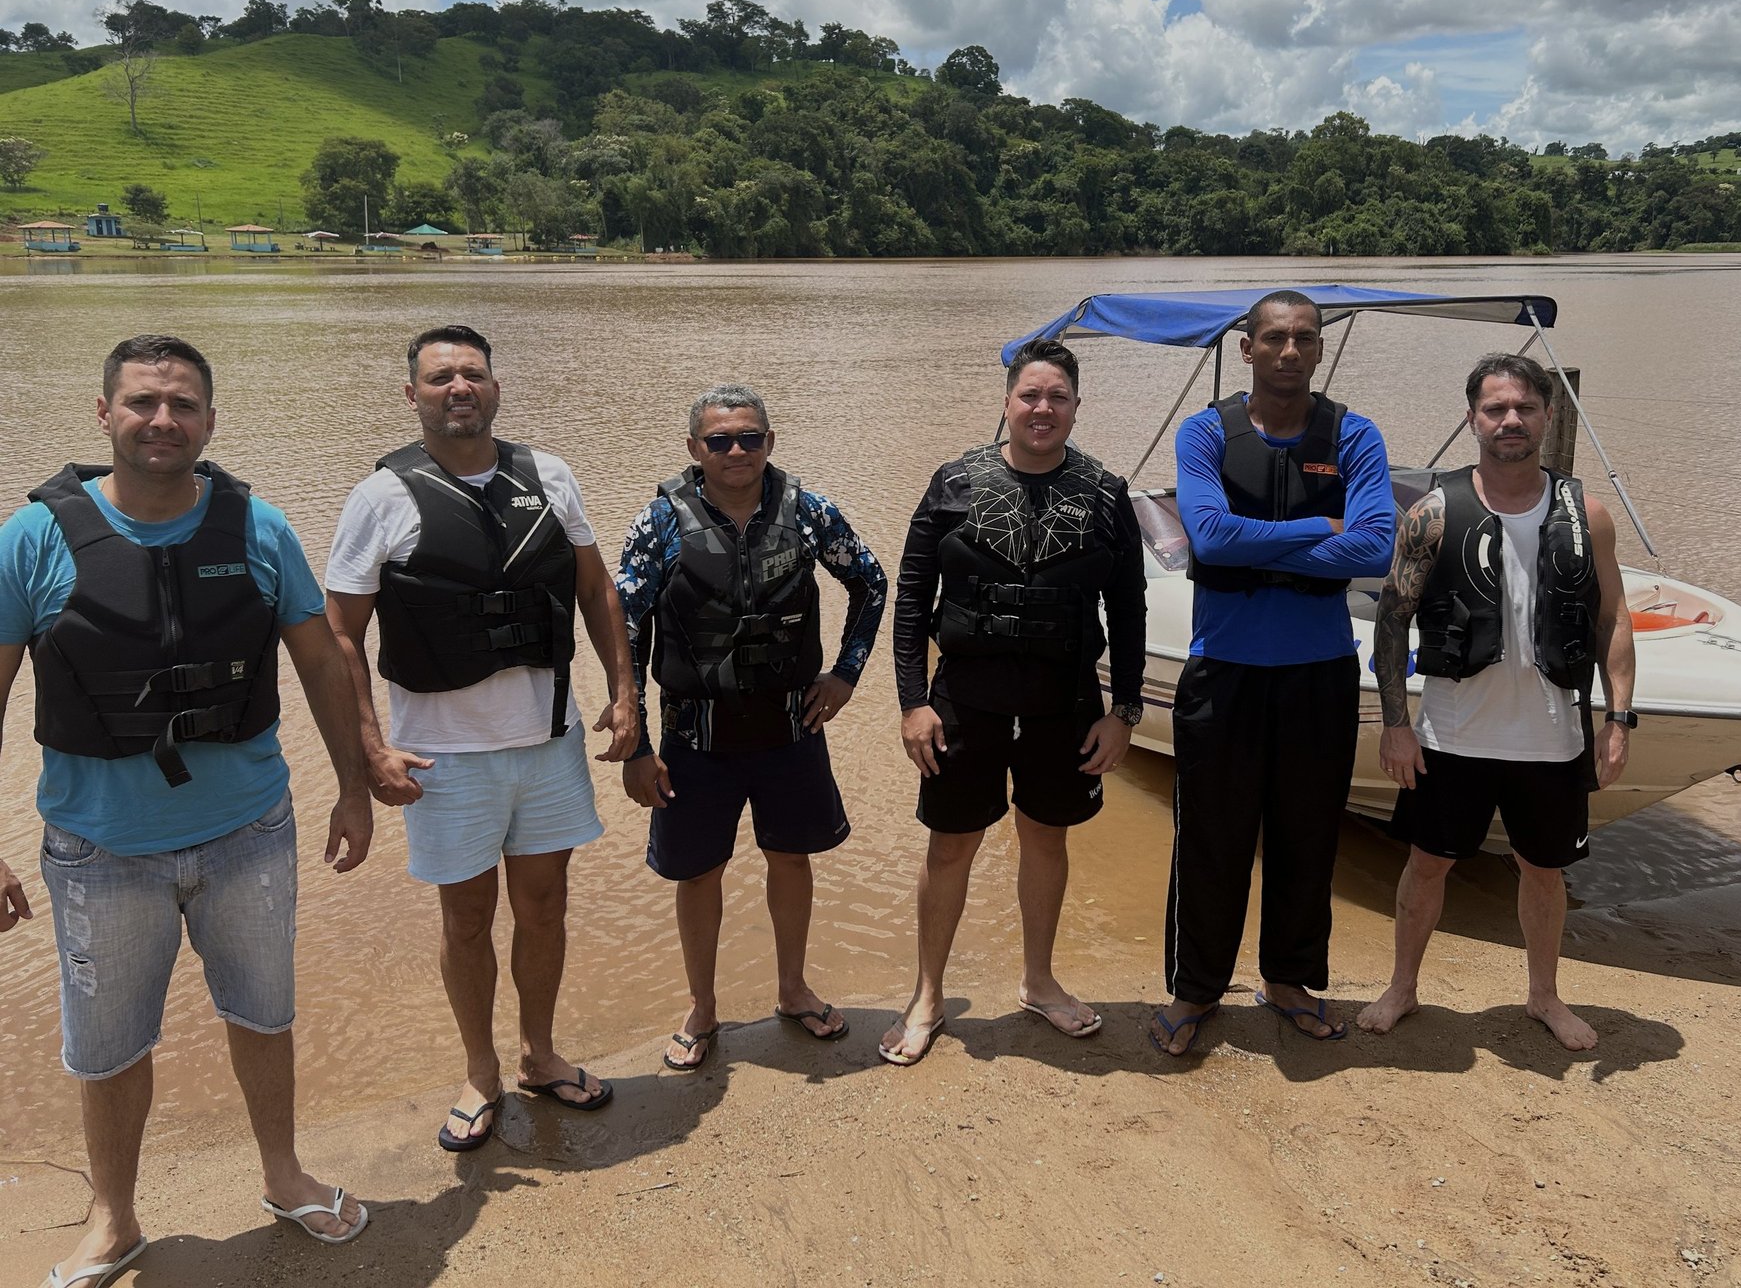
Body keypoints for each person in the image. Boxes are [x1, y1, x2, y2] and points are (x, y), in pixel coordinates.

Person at [0, 335, 372, 1286]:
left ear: (210, 420)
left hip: (250, 832)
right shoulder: (31, 540)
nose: (162, 420)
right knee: (107, 1047)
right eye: (141, 403)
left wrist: (354, 785)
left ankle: (285, 1176)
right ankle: (114, 1220)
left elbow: (321, 661)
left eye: (183, 405)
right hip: (98, 849)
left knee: (264, 1015)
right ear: (103, 414)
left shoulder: (260, 529)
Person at [325, 325, 637, 1152]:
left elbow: (597, 587)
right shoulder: (382, 498)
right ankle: (480, 1070)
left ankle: (538, 1053)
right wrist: (370, 749)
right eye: (439, 379)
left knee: (545, 906)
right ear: (413, 395)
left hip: (547, 741)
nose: (458, 388)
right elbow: (341, 634)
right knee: (466, 920)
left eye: (472, 374)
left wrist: (626, 690)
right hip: (444, 754)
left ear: (495, 386)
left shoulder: (551, 476)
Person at [1356, 353, 1635, 1051]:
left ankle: (1544, 997)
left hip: (1551, 736)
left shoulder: (1587, 514)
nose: (1510, 421)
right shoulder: (1432, 512)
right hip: (1453, 734)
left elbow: (1612, 620)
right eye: (1495, 409)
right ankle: (1402, 988)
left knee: (1545, 872)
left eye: (1524, 408)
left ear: (1546, 415)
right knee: (1427, 865)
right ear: (1472, 418)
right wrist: (1396, 725)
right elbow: (1393, 619)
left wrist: (1619, 718)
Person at [881, 338, 1147, 1066]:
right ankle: (928, 994)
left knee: (1046, 837)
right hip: (966, 699)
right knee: (950, 846)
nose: (1042, 408)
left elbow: (1128, 608)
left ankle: (1038, 980)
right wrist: (912, 702)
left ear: (1075, 407)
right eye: (1030, 395)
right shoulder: (953, 483)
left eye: (1057, 396)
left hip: (1064, 703)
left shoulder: (1104, 493)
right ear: (1006, 402)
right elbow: (910, 602)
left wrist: (1124, 711)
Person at [1151, 290, 1396, 1055]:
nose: (1289, 351)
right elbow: (1213, 542)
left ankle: (1288, 980)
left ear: (1319, 350)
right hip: (1224, 671)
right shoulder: (1205, 434)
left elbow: (1377, 549)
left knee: (1307, 836)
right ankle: (1196, 990)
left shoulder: (1354, 435)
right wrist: (1317, 528)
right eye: (1274, 339)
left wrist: (1265, 541)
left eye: (1304, 338)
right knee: (1210, 840)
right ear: (1247, 349)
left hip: (1319, 672)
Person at [617, 385, 887, 1069]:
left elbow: (873, 582)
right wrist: (637, 742)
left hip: (790, 730)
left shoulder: (811, 513)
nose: (736, 451)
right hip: (694, 739)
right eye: (720, 441)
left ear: (770, 441)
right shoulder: (660, 524)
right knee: (697, 873)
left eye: (750, 438)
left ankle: (793, 989)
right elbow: (623, 629)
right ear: (693, 450)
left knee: (790, 858)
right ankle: (702, 1008)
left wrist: (847, 674)